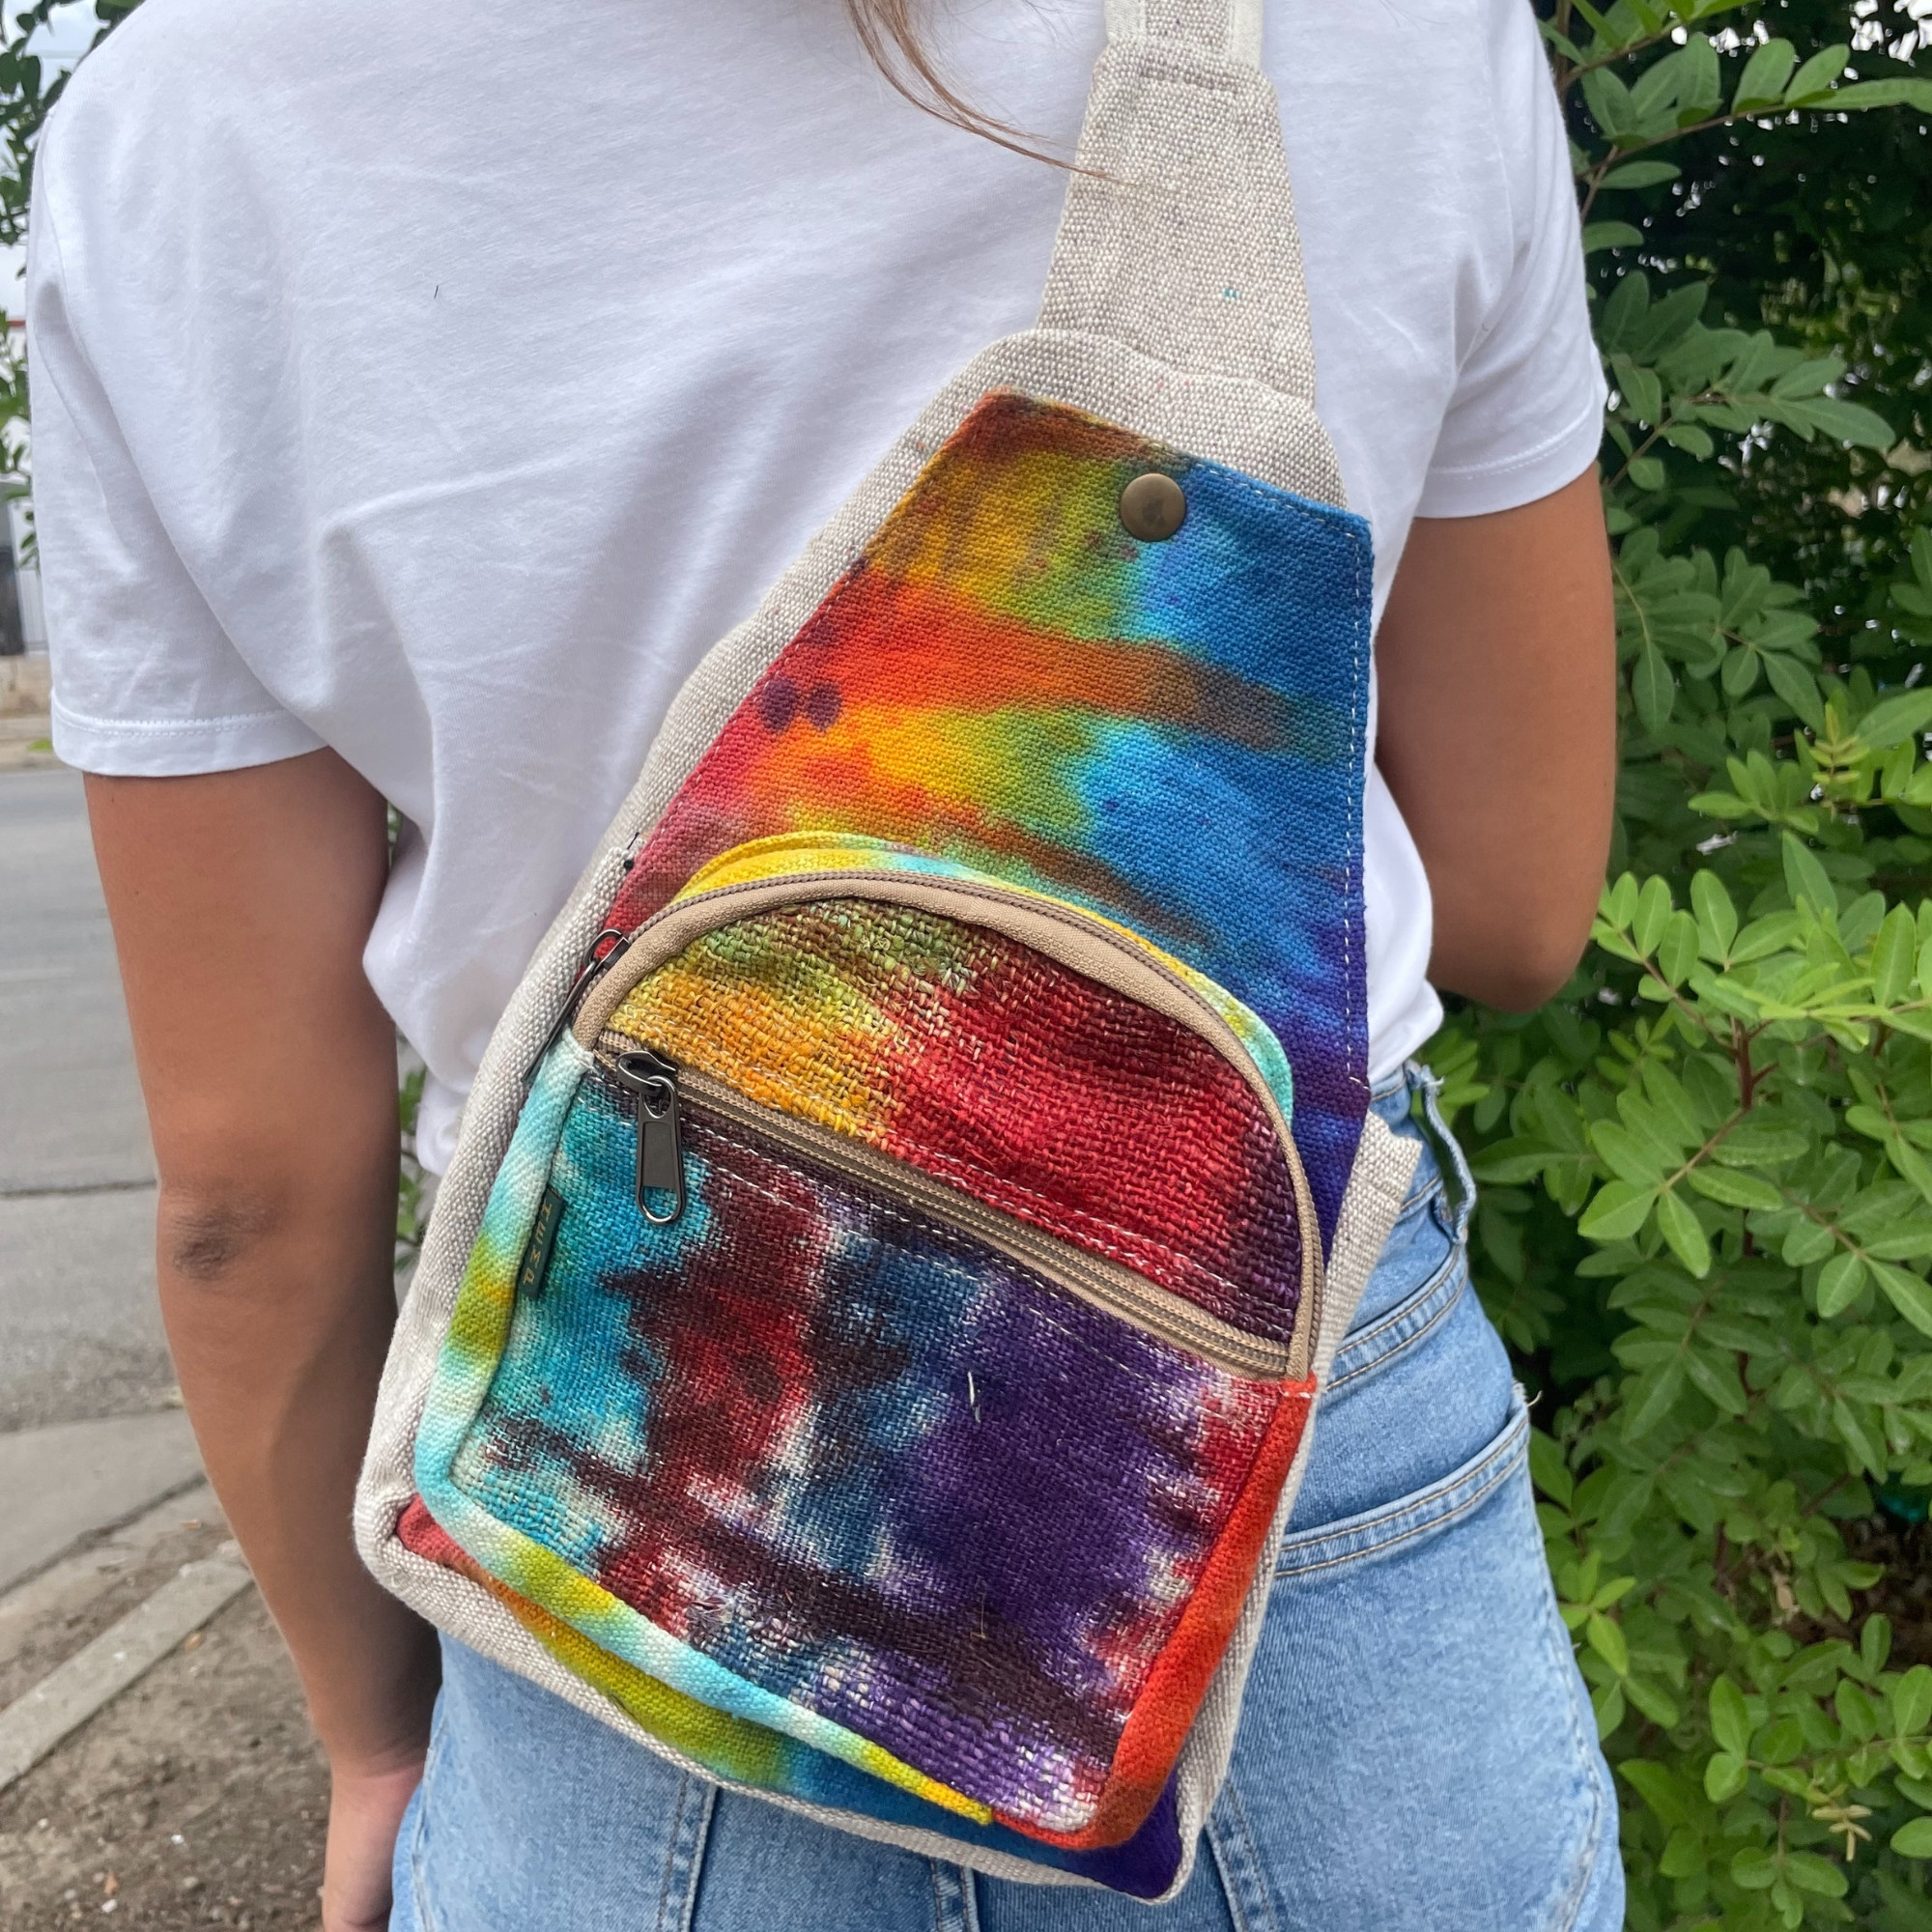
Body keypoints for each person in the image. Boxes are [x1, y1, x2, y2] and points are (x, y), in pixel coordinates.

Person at [28, 0, 1620, 1923]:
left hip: (621, 1491)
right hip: (1283, 1495)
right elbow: (1519, 903)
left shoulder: (181, 131)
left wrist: (374, 1741)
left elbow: (250, 1201)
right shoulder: (1389, 31)